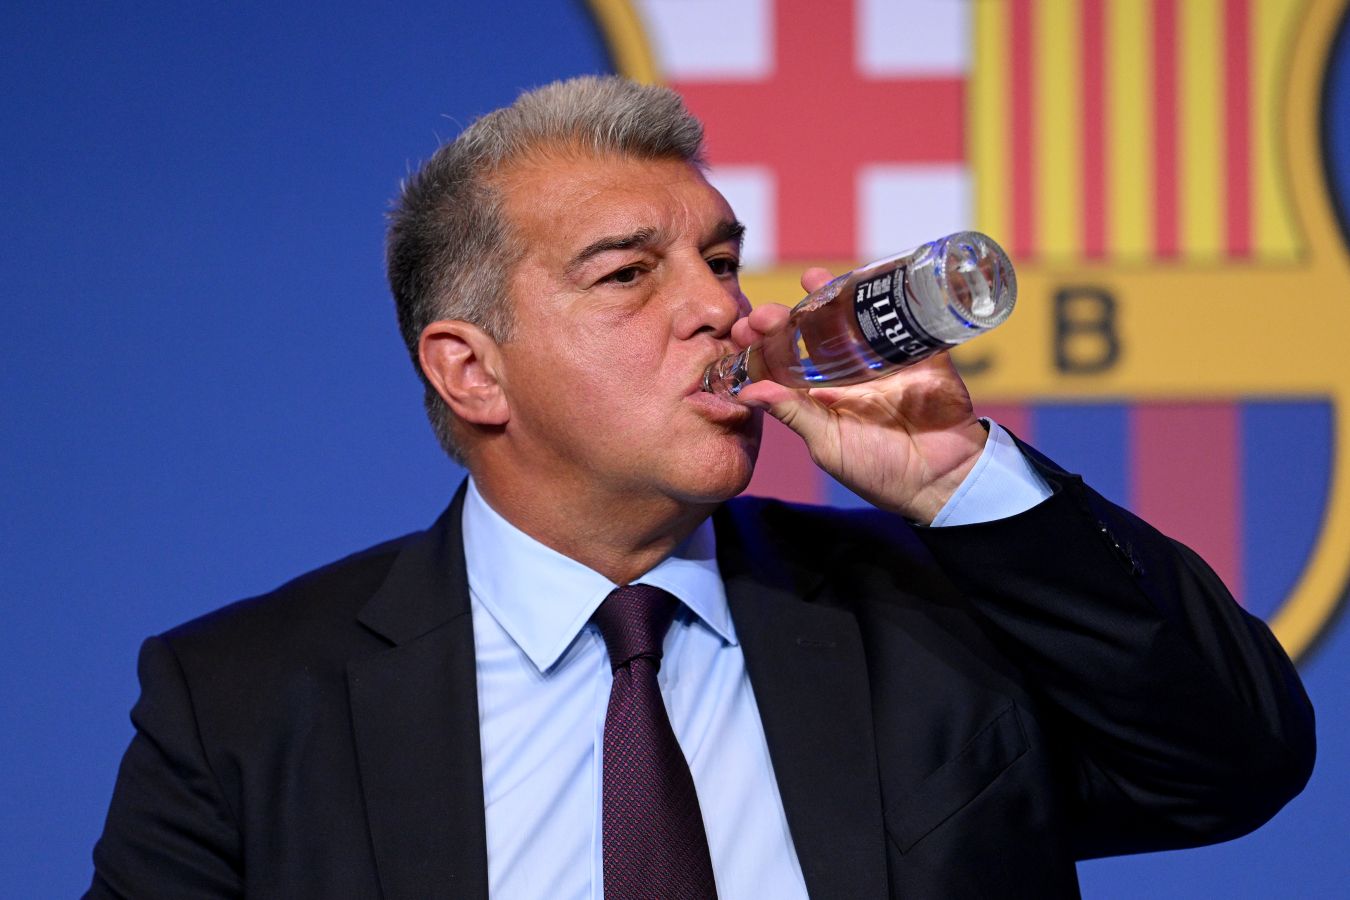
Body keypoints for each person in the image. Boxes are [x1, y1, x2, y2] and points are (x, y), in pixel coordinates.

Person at [86, 76, 1314, 899]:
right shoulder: (243, 705)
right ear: (472, 371)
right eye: (629, 275)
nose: (719, 307)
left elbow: (1234, 761)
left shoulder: (932, 618)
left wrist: (962, 480)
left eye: (720, 259)